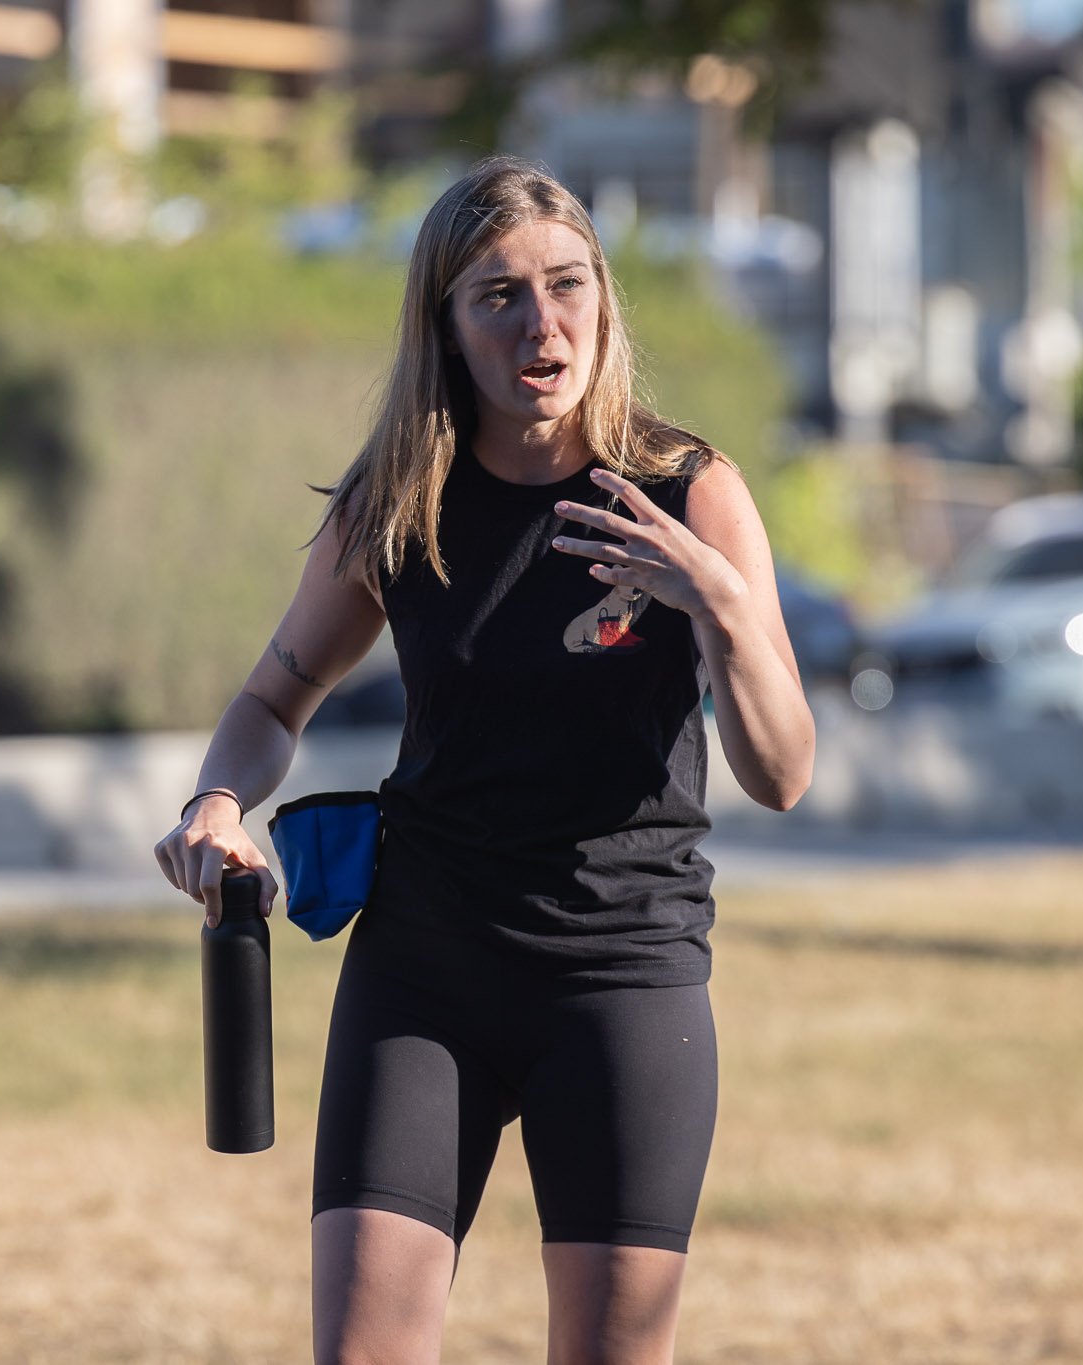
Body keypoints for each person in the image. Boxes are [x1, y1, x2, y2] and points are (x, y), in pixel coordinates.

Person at [154, 155, 815, 1364]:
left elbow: (781, 774)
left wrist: (715, 600)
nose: (539, 324)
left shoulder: (688, 492)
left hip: (621, 977)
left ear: (602, 300)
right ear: (445, 325)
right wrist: (217, 800)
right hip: (423, 970)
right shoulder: (398, 502)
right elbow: (271, 696)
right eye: (496, 295)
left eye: (565, 285)